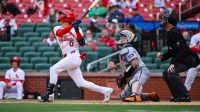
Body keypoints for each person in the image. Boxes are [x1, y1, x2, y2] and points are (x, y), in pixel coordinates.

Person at [37, 9, 113, 102]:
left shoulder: (76, 29)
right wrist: (72, 26)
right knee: (81, 83)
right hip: (68, 58)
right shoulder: (57, 28)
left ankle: (49, 95)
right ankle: (106, 90)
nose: (60, 15)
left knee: (53, 69)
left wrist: (76, 29)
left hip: (73, 56)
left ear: (67, 17)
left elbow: (82, 42)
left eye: (62, 14)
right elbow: (60, 33)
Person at [157, 14, 200, 102]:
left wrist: (173, 63)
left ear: (169, 23)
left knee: (172, 72)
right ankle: (177, 95)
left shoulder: (174, 33)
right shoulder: (170, 32)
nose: (163, 21)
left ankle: (185, 95)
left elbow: (182, 51)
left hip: (189, 59)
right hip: (183, 59)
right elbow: (173, 51)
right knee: (166, 73)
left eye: (165, 20)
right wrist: (163, 56)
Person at [116, 30, 160, 102]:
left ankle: (136, 95)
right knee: (123, 97)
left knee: (134, 81)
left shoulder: (128, 49)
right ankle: (150, 96)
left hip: (141, 70)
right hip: (135, 73)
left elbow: (135, 64)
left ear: (128, 38)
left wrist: (124, 75)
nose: (120, 37)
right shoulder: (124, 49)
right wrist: (124, 76)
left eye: (123, 36)